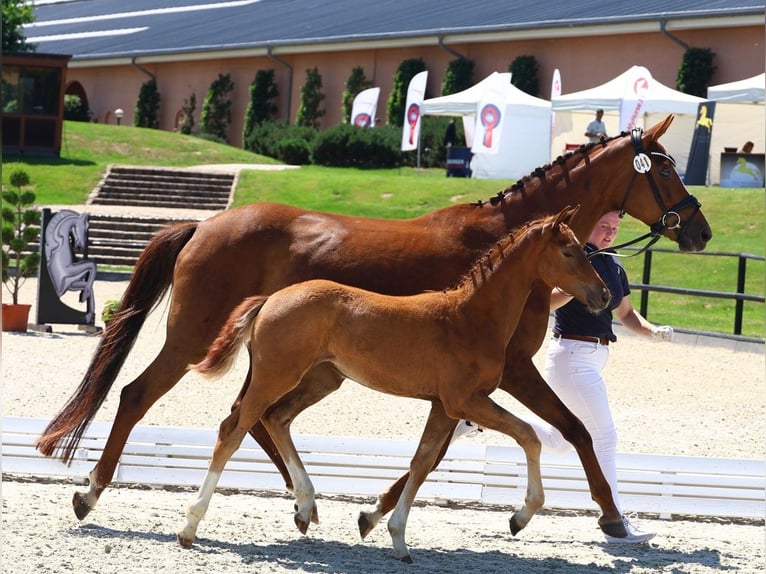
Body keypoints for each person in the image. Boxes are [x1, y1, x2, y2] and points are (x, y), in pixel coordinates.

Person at [525, 211, 673, 544]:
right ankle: (614, 520)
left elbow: (627, 314)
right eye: (603, 226)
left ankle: (478, 421)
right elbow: (544, 303)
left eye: (615, 229)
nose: (609, 233)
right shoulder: (573, 261)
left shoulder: (614, 266)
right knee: (605, 438)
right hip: (572, 356)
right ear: (589, 227)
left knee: (561, 442)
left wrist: (653, 331)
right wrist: (576, 289)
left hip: (593, 358)